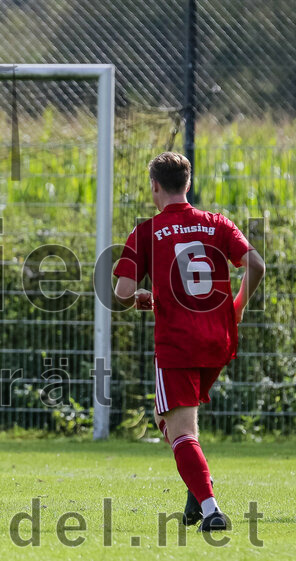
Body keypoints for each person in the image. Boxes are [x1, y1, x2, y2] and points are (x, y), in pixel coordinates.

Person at [113, 152, 265, 532]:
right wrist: (238, 307)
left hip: (178, 344)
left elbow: (121, 291)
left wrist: (137, 297)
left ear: (154, 186)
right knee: (171, 423)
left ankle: (212, 509)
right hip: (218, 339)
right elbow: (257, 265)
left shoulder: (147, 232)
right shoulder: (217, 224)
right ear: (188, 184)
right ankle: (195, 493)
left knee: (179, 431)